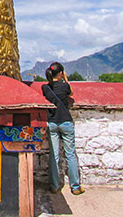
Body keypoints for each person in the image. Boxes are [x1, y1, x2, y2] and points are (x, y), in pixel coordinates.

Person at [42, 62, 85, 195]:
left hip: (52, 122)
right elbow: (71, 93)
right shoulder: (65, 86)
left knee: (54, 155)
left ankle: (54, 186)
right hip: (65, 121)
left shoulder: (45, 88)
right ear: (60, 73)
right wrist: (66, 80)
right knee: (70, 154)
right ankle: (75, 186)